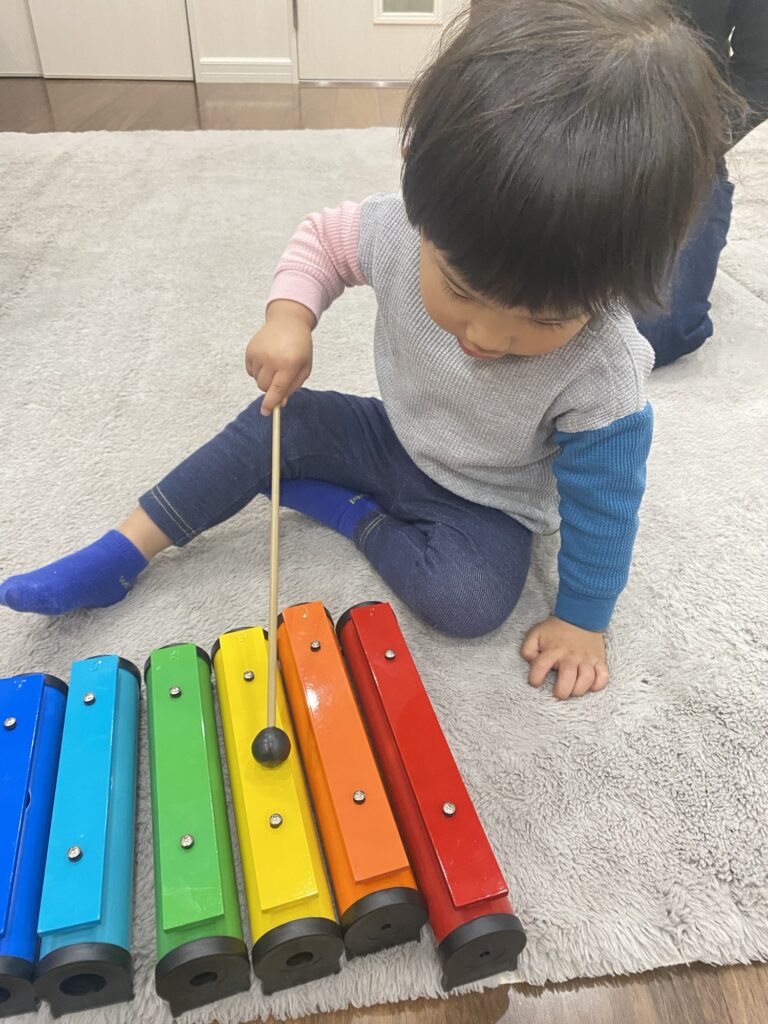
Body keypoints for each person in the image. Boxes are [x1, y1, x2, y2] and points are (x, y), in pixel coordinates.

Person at [0, 0, 738, 699]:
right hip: (392, 435)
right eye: (461, 290)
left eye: (540, 320)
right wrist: (290, 317)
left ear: (616, 285)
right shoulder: (399, 228)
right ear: (418, 193)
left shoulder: (604, 371)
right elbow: (324, 240)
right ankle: (122, 551)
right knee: (276, 420)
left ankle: (353, 513)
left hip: (493, 502)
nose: (485, 337)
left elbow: (607, 507)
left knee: (470, 602)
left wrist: (582, 620)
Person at [636, 0, 768, 365]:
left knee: (656, 331)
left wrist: (703, 137)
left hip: (681, 143)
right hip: (558, 129)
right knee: (513, 297)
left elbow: (761, 70)